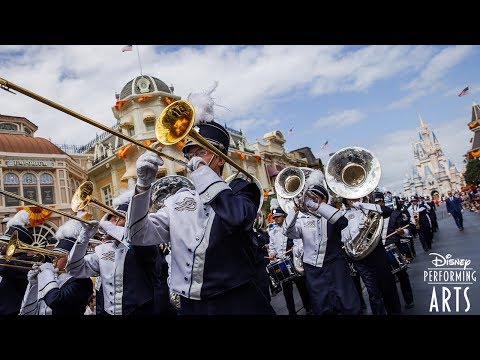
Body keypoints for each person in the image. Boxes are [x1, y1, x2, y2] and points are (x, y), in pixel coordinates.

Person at [124, 90, 275, 315]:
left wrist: (203, 172)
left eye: (201, 152)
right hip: (191, 307)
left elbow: (237, 218)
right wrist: (143, 186)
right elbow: (137, 235)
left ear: (219, 155)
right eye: (189, 154)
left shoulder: (241, 189)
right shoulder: (178, 200)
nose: (192, 159)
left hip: (236, 302)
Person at [66, 195, 159, 315]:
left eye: (117, 219)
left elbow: (137, 240)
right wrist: (83, 238)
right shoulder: (103, 249)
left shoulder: (145, 243)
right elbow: (74, 269)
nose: (111, 222)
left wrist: (112, 229)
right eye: (111, 219)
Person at [283, 174, 361, 315]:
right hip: (313, 270)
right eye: (311, 198)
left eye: (317, 197)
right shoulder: (302, 219)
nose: (313, 200)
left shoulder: (332, 214)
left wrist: (318, 206)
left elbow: (342, 222)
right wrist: (294, 210)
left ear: (325, 200)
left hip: (335, 265)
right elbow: (288, 232)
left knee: (348, 304)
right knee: (322, 307)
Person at [341, 192, 402, 315]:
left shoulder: (369, 208)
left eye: (355, 195)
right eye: (349, 196)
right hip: (361, 259)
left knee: (388, 287)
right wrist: (358, 230)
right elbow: (344, 238)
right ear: (345, 199)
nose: (353, 198)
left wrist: (364, 205)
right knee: (373, 292)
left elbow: (387, 211)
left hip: (378, 253)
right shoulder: (343, 216)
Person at [19, 218, 93, 315]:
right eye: (52, 257)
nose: (53, 260)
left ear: (72, 258)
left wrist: (46, 273)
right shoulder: (53, 277)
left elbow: (55, 301)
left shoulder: (82, 281)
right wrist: (34, 285)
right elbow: (31, 311)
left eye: (57, 256)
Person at [268, 207, 311, 315]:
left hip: (294, 261)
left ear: (284, 216)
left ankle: (308, 307)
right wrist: (272, 254)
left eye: (278, 217)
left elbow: (299, 242)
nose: (276, 219)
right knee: (287, 290)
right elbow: (272, 247)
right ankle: (292, 312)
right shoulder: (272, 232)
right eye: (274, 217)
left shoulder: (292, 226)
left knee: (302, 286)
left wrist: (295, 251)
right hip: (282, 263)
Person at [374, 194, 414, 310]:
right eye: (375, 203)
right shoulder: (371, 217)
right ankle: (393, 306)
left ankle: (409, 299)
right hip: (379, 251)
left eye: (379, 202)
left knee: (402, 276)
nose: (377, 205)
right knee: (386, 281)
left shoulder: (395, 214)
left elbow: (407, 228)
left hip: (394, 247)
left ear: (383, 202)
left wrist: (402, 232)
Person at [0, 210, 35, 315]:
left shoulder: (24, 263)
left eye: (6, 243)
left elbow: (4, 269)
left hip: (12, 311)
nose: (2, 246)